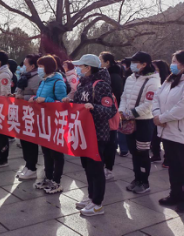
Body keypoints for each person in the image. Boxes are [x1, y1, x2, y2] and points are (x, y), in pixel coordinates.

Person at [63, 54, 116, 216]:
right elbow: (79, 105)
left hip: (97, 134)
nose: (78, 69)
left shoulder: (101, 85)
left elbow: (110, 110)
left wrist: (93, 107)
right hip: (83, 132)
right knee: (87, 167)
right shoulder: (82, 84)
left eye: (81, 66)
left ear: (89, 67)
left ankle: (97, 203)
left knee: (96, 168)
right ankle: (91, 196)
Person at [119, 51, 160, 194]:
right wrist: (122, 111)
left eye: (135, 63)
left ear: (144, 64)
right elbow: (124, 96)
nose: (132, 65)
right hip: (129, 121)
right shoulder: (131, 77)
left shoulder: (153, 80)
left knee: (142, 152)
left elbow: (149, 104)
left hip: (144, 122)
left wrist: (130, 113)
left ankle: (144, 181)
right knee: (133, 152)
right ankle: (137, 178)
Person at [153, 50, 184, 213]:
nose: (172, 63)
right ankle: (175, 194)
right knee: (174, 166)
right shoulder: (170, 79)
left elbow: (181, 107)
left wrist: (162, 118)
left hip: (181, 134)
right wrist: (157, 115)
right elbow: (156, 97)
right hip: (168, 132)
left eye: (174, 60)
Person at [30, 55, 67, 193]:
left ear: (48, 67)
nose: (39, 69)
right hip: (43, 121)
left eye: (41, 66)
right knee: (46, 152)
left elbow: (63, 103)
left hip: (55, 122)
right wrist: (35, 98)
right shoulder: (44, 81)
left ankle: (56, 181)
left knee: (56, 153)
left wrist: (45, 100)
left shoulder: (58, 82)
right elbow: (41, 98)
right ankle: (48, 177)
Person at [14, 54, 41, 179]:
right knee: (24, 140)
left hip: (32, 114)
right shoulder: (25, 76)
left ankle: (32, 167)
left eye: (25, 65)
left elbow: (38, 96)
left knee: (30, 141)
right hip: (23, 113)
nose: (22, 67)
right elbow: (21, 90)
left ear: (32, 66)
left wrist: (23, 97)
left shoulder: (36, 78)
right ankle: (27, 165)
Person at [99, 52, 125, 180]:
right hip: (103, 114)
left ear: (107, 62)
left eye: (100, 60)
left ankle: (108, 169)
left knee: (110, 143)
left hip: (111, 114)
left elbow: (118, 95)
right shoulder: (108, 75)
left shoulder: (113, 77)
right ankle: (103, 167)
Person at [151, 60, 171, 167]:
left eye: (155, 69)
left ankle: (167, 159)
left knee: (166, 138)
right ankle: (156, 154)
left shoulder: (169, 81)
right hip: (155, 113)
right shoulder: (152, 80)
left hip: (167, 115)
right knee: (155, 136)